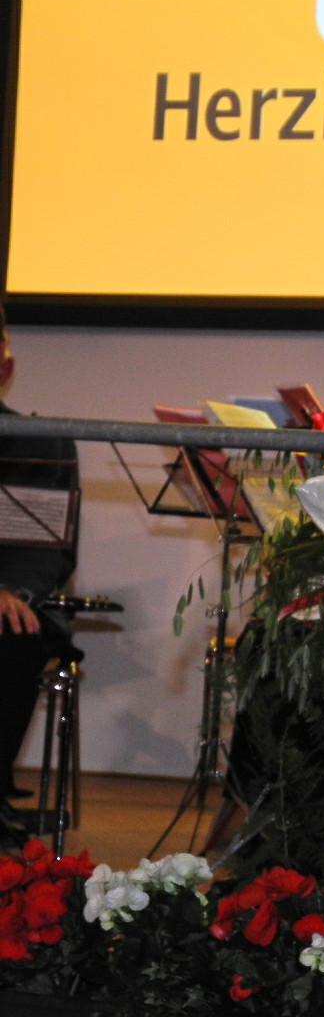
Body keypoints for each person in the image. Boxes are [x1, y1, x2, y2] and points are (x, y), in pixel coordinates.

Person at [0, 305, 78, 803]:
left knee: (12, 631)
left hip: (9, 599)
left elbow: (47, 551)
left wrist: (9, 590)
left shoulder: (40, 442)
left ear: (4, 367)